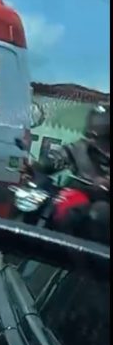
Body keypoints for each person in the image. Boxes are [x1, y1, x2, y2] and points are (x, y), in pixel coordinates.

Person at [34, 103, 110, 244]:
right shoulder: (80, 148)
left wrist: (105, 182)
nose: (93, 140)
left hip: (103, 204)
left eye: (105, 138)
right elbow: (60, 156)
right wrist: (41, 164)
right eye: (91, 135)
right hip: (78, 198)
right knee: (41, 204)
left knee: (100, 213)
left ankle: (89, 263)